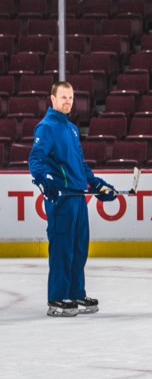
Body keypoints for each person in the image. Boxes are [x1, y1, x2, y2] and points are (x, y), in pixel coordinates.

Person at [28, 81, 117, 317]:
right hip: (61, 199)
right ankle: (57, 298)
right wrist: (45, 183)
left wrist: (98, 185)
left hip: (79, 198)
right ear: (53, 99)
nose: (68, 101)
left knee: (79, 248)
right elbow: (35, 160)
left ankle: (76, 292)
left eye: (71, 97)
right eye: (63, 97)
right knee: (62, 249)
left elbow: (80, 166)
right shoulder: (46, 128)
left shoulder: (72, 129)